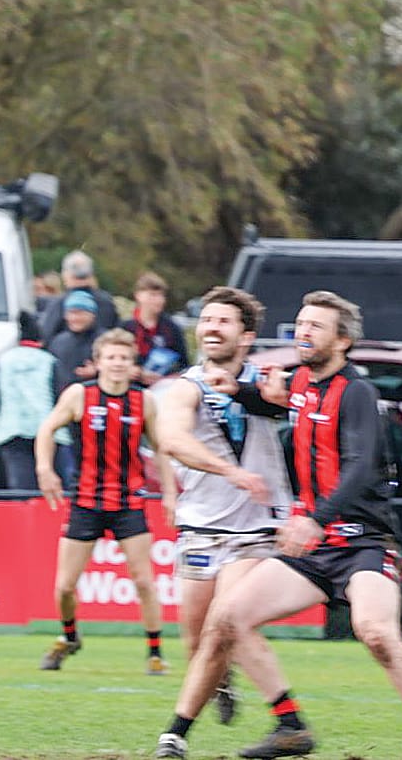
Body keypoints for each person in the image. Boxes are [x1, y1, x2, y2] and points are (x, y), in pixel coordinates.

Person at [154, 291, 402, 760]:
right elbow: (275, 407)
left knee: (376, 633)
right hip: (314, 550)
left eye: (315, 326)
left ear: (341, 341)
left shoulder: (357, 392)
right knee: (227, 619)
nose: (303, 332)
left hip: (363, 543)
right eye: (301, 324)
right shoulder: (301, 382)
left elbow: (360, 466)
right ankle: (200, 734)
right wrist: (235, 389)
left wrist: (315, 520)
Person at [154, 286, 304, 749]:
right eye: (206, 320)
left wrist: (285, 401)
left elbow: (309, 417)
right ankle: (221, 683)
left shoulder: (268, 381)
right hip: (201, 526)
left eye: (223, 321)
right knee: (196, 641)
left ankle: (180, 736)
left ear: (247, 336)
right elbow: (173, 441)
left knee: (229, 619)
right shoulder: (185, 387)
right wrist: (231, 472)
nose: (212, 328)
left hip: (256, 527)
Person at [35, 328, 171, 675]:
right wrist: (45, 470)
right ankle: (69, 637)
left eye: (124, 358)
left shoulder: (144, 401)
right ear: (98, 362)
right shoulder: (80, 395)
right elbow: (46, 430)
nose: (117, 363)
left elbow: (161, 449)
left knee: (144, 581)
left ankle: (155, 653)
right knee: (64, 586)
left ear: (133, 364)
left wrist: (170, 493)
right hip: (86, 501)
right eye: (111, 357)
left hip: (129, 502)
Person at [0, 312, 67, 491]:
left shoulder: (4, 360)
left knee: (21, 489)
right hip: (48, 432)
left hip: (11, 430)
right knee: (53, 487)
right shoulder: (49, 361)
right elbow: (59, 395)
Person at [121, 271, 189, 385]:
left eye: (161, 295)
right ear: (138, 295)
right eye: (152, 295)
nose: (159, 300)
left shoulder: (172, 328)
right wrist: (131, 370)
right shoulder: (126, 327)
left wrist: (168, 377)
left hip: (163, 386)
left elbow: (184, 364)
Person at [35, 249, 117, 333]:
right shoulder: (107, 302)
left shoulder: (59, 303)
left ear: (65, 274)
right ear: (91, 274)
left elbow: (46, 334)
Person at [46, 290, 102, 388]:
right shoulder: (58, 342)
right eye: (71, 313)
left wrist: (99, 371)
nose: (75, 318)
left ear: (92, 315)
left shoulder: (105, 340)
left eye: (81, 313)